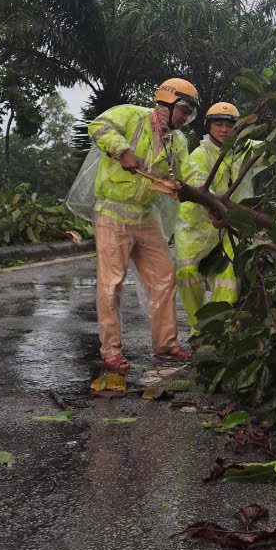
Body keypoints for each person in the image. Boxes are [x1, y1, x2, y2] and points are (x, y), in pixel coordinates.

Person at [88, 78, 199, 374]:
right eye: (184, 110)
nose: (185, 118)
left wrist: (204, 196)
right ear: (168, 103)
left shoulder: (178, 142)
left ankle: (166, 344)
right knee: (111, 284)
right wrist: (122, 149)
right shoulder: (131, 115)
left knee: (164, 277)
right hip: (112, 212)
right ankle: (111, 351)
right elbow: (98, 125)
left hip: (145, 215)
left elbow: (187, 176)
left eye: (189, 114)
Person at [175, 101, 243, 335]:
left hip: (227, 227)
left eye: (229, 125)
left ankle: (221, 330)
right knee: (187, 275)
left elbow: (265, 150)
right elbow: (198, 185)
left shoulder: (240, 153)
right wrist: (214, 209)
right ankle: (199, 330)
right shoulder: (199, 155)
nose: (224, 129)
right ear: (209, 126)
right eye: (218, 124)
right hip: (195, 229)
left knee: (228, 276)